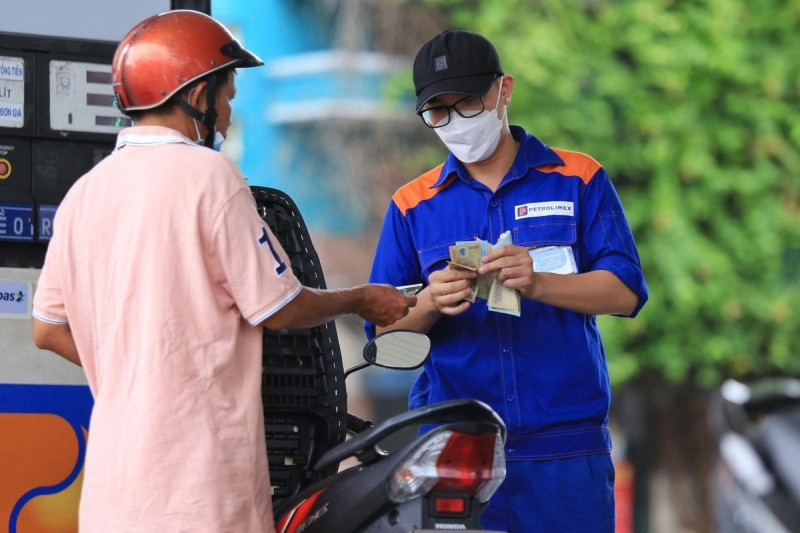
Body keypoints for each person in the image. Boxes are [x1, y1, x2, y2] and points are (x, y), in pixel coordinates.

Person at [30, 10, 415, 533]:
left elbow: (48, 329)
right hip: (201, 487)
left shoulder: (85, 192)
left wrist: (133, 374)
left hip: (111, 497)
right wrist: (362, 299)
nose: (230, 115)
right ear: (197, 94)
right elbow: (279, 306)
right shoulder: (210, 175)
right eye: (229, 96)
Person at [366, 30, 649, 532]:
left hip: (564, 448)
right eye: (438, 111)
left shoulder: (578, 178)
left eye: (469, 101)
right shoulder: (412, 206)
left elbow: (625, 292)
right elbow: (386, 344)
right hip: (454, 454)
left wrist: (539, 283)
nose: (456, 121)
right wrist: (430, 301)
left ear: (504, 90)